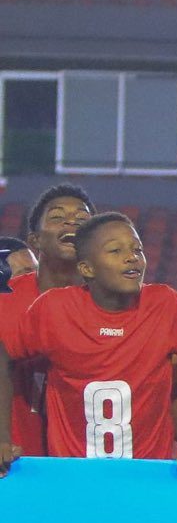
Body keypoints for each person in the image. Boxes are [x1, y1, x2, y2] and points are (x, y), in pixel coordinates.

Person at [0, 212, 177, 483]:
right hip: (71, 479)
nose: (132, 256)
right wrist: (3, 438)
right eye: (115, 250)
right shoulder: (53, 309)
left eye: (138, 249)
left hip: (149, 479)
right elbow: (4, 357)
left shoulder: (165, 304)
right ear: (87, 269)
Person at [1, 184, 94, 455]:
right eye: (57, 217)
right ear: (35, 240)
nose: (70, 222)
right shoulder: (4, 302)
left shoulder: (119, 304)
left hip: (93, 467)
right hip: (14, 466)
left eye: (82, 218)